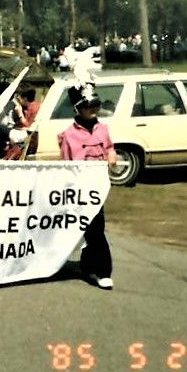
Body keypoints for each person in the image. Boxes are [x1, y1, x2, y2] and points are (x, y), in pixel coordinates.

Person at [59, 82, 117, 290]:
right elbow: (66, 164)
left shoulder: (103, 129)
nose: (92, 110)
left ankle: (102, 271)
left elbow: (109, 147)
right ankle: (90, 265)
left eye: (95, 105)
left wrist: (111, 156)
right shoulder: (68, 134)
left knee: (96, 228)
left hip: (98, 187)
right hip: (80, 186)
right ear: (77, 108)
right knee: (88, 228)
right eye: (87, 106)